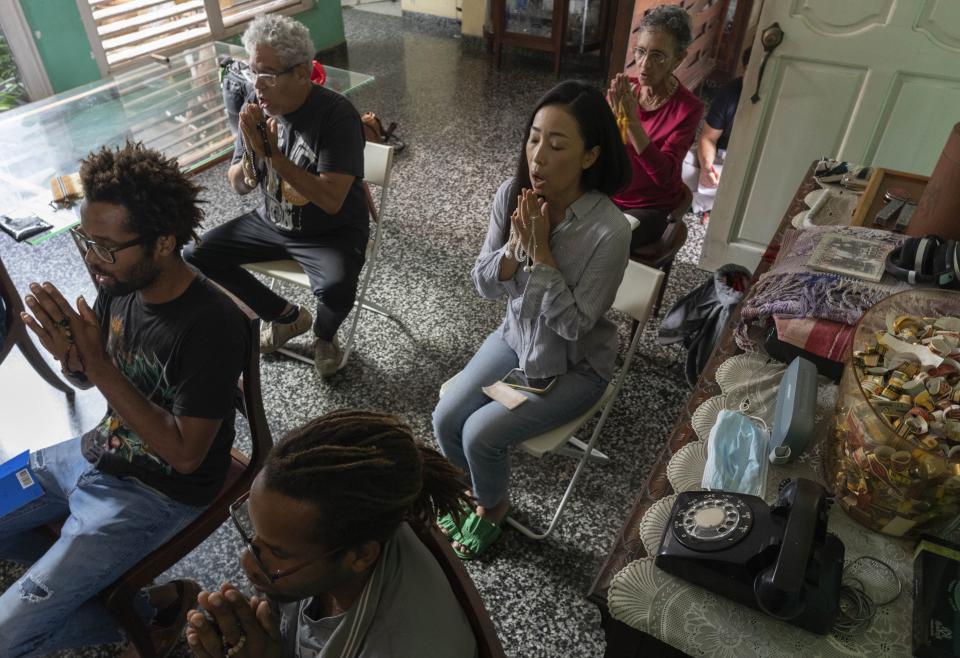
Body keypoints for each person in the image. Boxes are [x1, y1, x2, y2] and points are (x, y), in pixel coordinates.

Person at [1, 141, 250, 657]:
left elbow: (185, 456)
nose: (93, 261)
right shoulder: (118, 283)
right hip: (92, 453)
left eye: (107, 247)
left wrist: (97, 365)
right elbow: (94, 380)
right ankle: (146, 604)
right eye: (87, 242)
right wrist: (73, 357)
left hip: (153, 493)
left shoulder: (211, 325)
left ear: (163, 242)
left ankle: (134, 621)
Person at [430, 80, 631, 559]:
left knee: (480, 434)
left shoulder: (610, 231)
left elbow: (575, 327)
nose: (538, 155)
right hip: (514, 340)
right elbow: (483, 282)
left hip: (574, 366)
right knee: (445, 419)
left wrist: (542, 253)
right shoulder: (511, 195)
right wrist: (516, 249)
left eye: (557, 144)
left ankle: (493, 507)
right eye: (534, 138)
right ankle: (479, 491)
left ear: (589, 157)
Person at [182, 409, 478, 658]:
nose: (247, 560)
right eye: (254, 535)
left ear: (361, 555)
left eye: (279, 553)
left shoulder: (403, 647)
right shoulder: (354, 527)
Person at [184, 14, 368, 377]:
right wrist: (252, 159)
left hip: (330, 230)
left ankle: (324, 335)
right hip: (272, 222)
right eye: (253, 72)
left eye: (267, 74)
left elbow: (331, 199)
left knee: (336, 287)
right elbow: (237, 183)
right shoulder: (256, 103)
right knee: (195, 254)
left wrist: (276, 158)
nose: (257, 85)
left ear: (302, 72)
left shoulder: (336, 116)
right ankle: (285, 317)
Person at [607, 4, 704, 249]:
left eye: (658, 56)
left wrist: (632, 122)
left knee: (608, 241)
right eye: (640, 52)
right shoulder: (624, 90)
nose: (644, 64)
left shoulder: (687, 108)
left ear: (678, 59)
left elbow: (665, 176)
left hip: (649, 206)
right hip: (610, 194)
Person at [683, 46, 751, 216]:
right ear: (744, 70)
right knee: (682, 163)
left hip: (749, 166)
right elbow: (708, 138)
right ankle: (712, 204)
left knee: (745, 190)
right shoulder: (730, 92)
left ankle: (702, 204)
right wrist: (706, 168)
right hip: (722, 158)